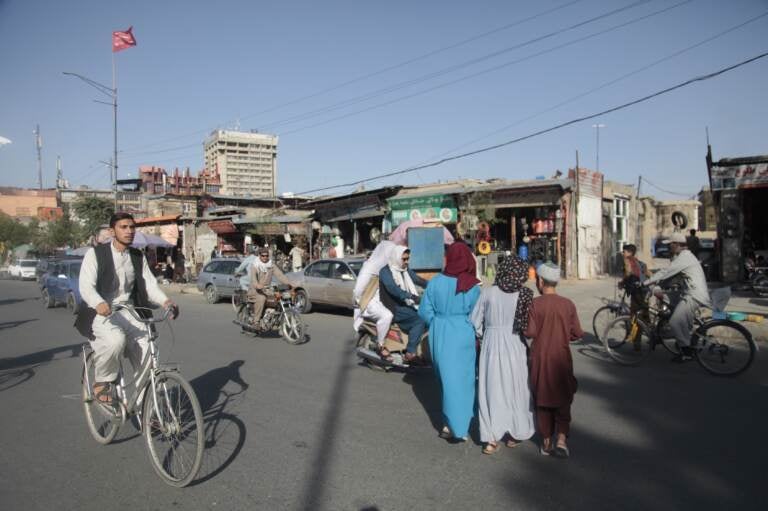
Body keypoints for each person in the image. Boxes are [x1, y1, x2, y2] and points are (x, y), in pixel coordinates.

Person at [75, 212, 178, 408]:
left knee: (149, 351)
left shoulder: (137, 256)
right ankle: (102, 382)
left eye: (132, 227)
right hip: (101, 312)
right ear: (112, 231)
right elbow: (86, 286)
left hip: (130, 311)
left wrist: (166, 302)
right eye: (123, 227)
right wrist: (98, 302)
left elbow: (148, 285)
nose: (129, 231)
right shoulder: (95, 254)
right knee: (115, 341)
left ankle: (147, 407)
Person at [471, 255, 535, 454]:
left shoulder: (488, 292)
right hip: (515, 343)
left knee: (491, 388)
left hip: (491, 344)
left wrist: (486, 334)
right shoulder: (525, 294)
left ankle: (490, 438)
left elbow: (475, 322)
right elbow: (528, 326)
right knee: (517, 388)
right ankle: (515, 433)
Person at [419, 242, 481, 443]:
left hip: (440, 332)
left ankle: (448, 423)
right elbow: (478, 315)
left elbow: (424, 311)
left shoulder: (435, 282)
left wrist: (437, 322)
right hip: (463, 332)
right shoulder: (472, 286)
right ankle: (459, 426)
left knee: (445, 380)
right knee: (462, 381)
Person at [524, 262, 583, 458]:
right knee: (563, 399)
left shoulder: (535, 304)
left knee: (542, 399)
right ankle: (562, 440)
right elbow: (577, 333)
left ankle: (547, 441)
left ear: (540, 281)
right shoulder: (568, 304)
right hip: (561, 358)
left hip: (540, 359)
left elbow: (530, 332)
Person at [643, 232, 710, 362]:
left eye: (670, 245)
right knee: (667, 298)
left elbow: (665, 272)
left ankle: (686, 351)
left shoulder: (684, 257)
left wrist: (644, 283)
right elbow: (672, 277)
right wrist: (658, 286)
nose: (669, 248)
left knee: (675, 321)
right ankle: (679, 339)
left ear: (677, 245)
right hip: (689, 292)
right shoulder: (683, 256)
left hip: (694, 295)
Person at [379, 246, 428, 364]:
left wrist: (435, 284)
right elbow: (394, 289)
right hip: (394, 307)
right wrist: (412, 297)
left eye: (408, 259)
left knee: (427, 314)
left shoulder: (404, 270)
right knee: (419, 320)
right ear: (397, 257)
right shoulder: (385, 272)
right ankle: (410, 352)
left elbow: (418, 280)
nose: (407, 262)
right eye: (404, 259)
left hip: (405, 304)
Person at [352, 241, 396, 359]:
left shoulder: (387, 267)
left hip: (381, 300)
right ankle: (380, 345)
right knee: (387, 316)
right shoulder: (369, 268)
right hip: (368, 302)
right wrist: (360, 304)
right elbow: (358, 291)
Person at [248, 247, 296, 328]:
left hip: (267, 289)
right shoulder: (255, 266)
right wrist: (257, 285)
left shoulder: (271, 265)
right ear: (259, 256)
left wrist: (290, 284)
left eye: (266, 256)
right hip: (255, 290)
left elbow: (280, 275)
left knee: (278, 297)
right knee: (262, 298)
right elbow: (253, 279)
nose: (265, 257)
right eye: (263, 256)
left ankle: (273, 318)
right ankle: (256, 321)